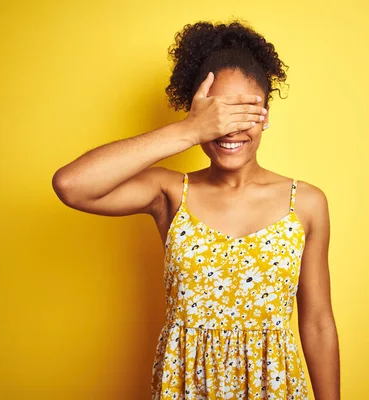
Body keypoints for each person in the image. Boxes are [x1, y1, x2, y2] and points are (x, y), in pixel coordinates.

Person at [52, 20, 339, 400]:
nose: (229, 127)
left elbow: (318, 322)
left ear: (266, 115)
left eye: (243, 112)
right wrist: (188, 130)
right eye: (216, 114)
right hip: (185, 388)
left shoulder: (305, 202)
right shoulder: (169, 193)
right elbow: (71, 185)